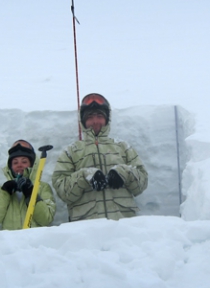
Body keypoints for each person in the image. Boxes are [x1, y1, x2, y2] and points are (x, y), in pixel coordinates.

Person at [52, 93, 148, 221]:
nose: (95, 121)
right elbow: (62, 192)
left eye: (99, 116)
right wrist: (85, 176)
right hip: (87, 231)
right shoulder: (71, 152)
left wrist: (124, 173)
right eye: (90, 117)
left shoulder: (123, 147)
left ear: (107, 119)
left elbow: (142, 183)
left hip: (123, 229)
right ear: (83, 121)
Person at [0, 140, 56, 229]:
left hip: (35, 241)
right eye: (15, 162)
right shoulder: (2, 190)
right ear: (10, 167)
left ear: (32, 164)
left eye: (24, 162)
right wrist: (5, 193)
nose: (19, 165)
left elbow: (46, 219)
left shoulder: (42, 187)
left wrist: (31, 194)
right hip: (10, 241)